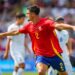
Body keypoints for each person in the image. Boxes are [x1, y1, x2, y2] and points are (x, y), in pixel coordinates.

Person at [0, 6, 75, 75]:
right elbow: (16, 32)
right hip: (41, 55)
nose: (26, 15)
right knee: (41, 71)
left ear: (33, 14)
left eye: (27, 13)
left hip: (55, 55)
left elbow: (58, 25)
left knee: (64, 74)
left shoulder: (46, 22)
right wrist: (2, 34)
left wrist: (72, 27)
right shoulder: (28, 26)